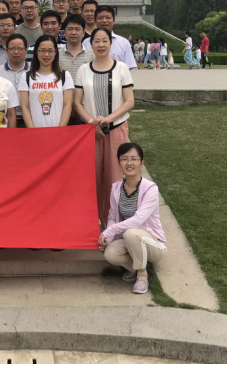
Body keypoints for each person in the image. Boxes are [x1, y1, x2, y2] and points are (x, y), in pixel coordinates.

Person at [73, 27, 135, 224]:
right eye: (96, 41)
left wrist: (108, 119)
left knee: (115, 176)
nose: (100, 45)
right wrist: (92, 122)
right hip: (90, 131)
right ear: (90, 44)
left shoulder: (121, 68)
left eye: (104, 41)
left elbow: (129, 101)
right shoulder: (83, 70)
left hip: (116, 129)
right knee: (91, 176)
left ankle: (113, 220)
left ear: (110, 43)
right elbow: (77, 102)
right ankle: (92, 219)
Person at [99, 142, 167, 295]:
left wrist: (108, 231)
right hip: (130, 240)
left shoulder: (150, 189)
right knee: (110, 253)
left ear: (142, 163)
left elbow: (138, 220)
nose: (129, 163)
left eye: (134, 159)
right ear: (119, 163)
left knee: (131, 233)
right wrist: (108, 238)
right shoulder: (116, 188)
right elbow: (112, 217)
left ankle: (142, 275)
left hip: (154, 244)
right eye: (124, 159)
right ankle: (137, 268)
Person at [19, 35, 75, 128]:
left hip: (58, 131)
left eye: (50, 50)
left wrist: (60, 130)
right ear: (36, 52)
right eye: (42, 50)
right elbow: (25, 107)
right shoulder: (26, 77)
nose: (46, 54)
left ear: (55, 52)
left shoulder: (65, 76)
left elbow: (67, 105)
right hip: (35, 131)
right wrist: (32, 130)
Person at [82, 5, 137, 70]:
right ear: (95, 21)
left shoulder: (124, 43)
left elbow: (131, 68)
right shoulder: (86, 42)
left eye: (108, 17)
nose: (104, 21)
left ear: (114, 20)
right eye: (100, 18)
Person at [0, 33, 29, 127]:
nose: (16, 52)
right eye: (12, 49)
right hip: (5, 119)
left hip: (29, 119)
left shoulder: (33, 70)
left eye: (20, 49)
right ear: (7, 50)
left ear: (26, 50)